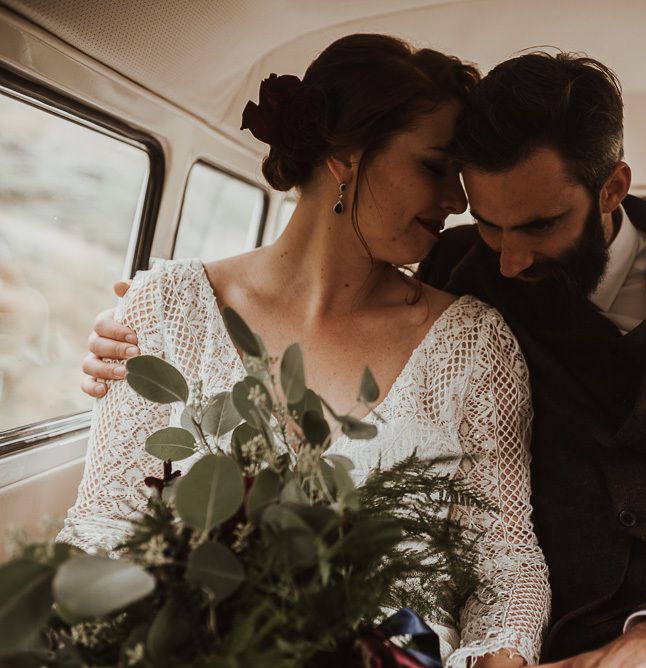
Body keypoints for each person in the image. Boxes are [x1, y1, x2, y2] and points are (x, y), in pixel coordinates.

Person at [62, 34, 550, 667]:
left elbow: (506, 563)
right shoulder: (164, 310)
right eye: (435, 166)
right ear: (346, 156)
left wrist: (498, 657)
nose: (456, 201)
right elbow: (103, 528)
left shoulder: (476, 346)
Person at [418, 53, 646, 667]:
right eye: (488, 224)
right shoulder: (450, 274)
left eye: (539, 226)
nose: (509, 259)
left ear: (612, 186)